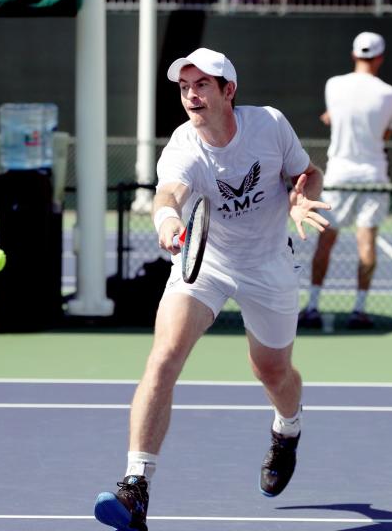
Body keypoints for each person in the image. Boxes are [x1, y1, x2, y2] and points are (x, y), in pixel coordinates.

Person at [93, 48, 330, 531]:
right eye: (184, 87)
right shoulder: (183, 146)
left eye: (202, 84)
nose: (191, 95)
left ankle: (287, 429)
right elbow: (169, 194)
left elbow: (307, 171)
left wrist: (302, 197)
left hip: (268, 264)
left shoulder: (269, 125)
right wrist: (166, 222)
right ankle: (135, 486)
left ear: (229, 91)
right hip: (207, 262)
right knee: (163, 358)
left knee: (271, 371)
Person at [298, 32, 392, 331]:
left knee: (325, 240)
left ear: (355, 55)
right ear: (379, 58)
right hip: (373, 175)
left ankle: (313, 306)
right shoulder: (390, 94)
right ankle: (359, 309)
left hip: (339, 174)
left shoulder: (334, 86)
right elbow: (384, 136)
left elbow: (341, 114)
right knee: (367, 242)